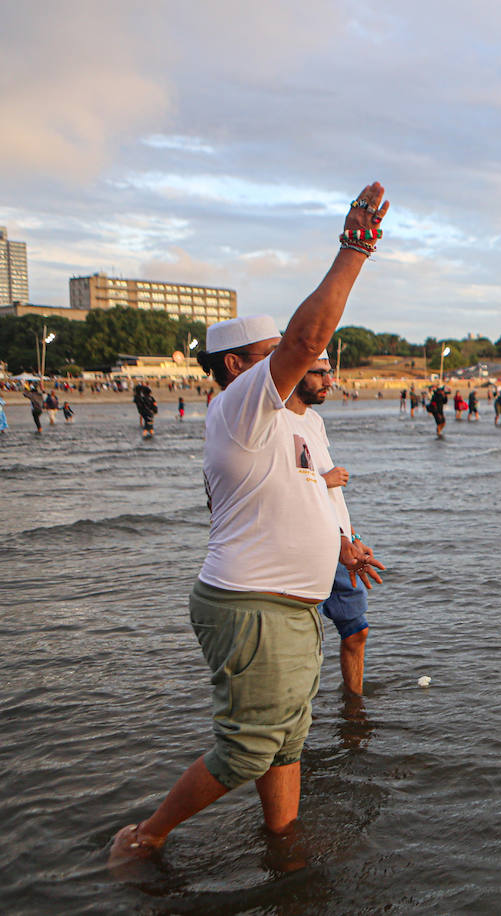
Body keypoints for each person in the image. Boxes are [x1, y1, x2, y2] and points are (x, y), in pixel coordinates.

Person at [107, 181, 389, 872]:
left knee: (286, 741)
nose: (302, 361)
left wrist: (341, 545)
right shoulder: (240, 407)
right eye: (276, 353)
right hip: (253, 605)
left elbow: (297, 498)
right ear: (236, 367)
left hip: (287, 608)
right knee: (246, 749)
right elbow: (310, 335)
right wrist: (353, 250)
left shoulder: (289, 424)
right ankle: (147, 837)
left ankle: (281, 840)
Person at [286, 353, 384, 696]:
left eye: (330, 373)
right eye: (320, 373)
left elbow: (331, 495)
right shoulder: (274, 422)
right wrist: (321, 479)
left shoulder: (313, 421)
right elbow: (272, 489)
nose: (330, 381)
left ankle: (353, 707)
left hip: (338, 544)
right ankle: (296, 717)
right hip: (300, 548)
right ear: (294, 369)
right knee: (300, 643)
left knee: (357, 630)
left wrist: (351, 536)